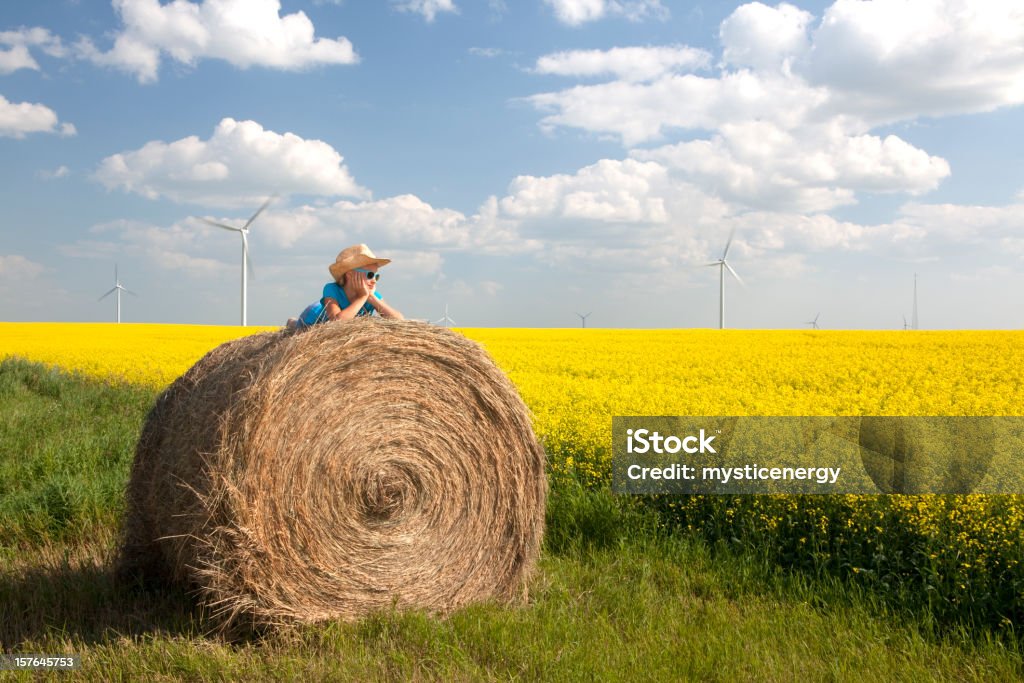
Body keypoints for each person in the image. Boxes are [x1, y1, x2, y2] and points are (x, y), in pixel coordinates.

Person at [287, 244, 403, 331]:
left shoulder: (371, 295)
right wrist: (362, 297)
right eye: (370, 275)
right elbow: (337, 323)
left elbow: (399, 321)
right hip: (314, 315)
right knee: (299, 329)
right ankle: (292, 322)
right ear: (350, 275)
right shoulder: (332, 289)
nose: (374, 280)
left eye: (376, 276)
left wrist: (371, 297)